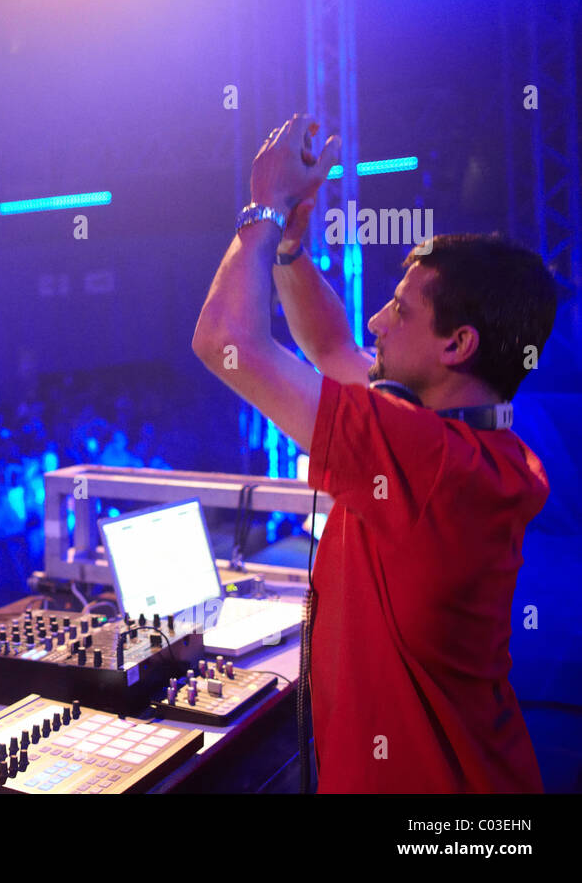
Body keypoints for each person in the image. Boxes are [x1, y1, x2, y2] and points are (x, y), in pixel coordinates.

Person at [191, 113, 555, 793]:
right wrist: (291, 254)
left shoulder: (425, 457)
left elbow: (223, 340)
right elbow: (331, 351)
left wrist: (262, 209)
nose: (376, 323)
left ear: (458, 344)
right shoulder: (472, 446)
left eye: (400, 310)